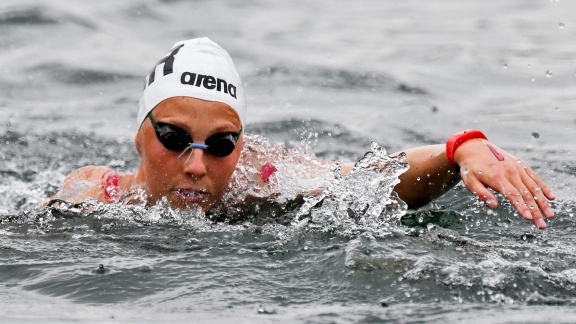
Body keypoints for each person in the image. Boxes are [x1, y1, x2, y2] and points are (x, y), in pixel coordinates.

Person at [47, 37, 556, 229]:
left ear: (241, 144)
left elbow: (369, 182)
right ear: (140, 136)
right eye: (176, 139)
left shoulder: (263, 177)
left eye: (222, 144)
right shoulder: (93, 196)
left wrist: (458, 148)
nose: (197, 165)